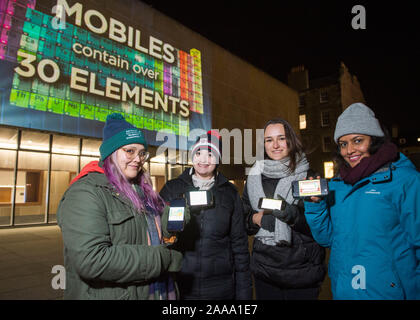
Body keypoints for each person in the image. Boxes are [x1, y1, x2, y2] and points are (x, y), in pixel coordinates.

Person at [57, 113, 183, 300]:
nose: (138, 159)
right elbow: (93, 260)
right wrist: (163, 259)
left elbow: (150, 234)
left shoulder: (142, 190)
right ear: (111, 152)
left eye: (142, 153)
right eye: (129, 151)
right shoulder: (85, 192)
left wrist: (172, 219)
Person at [304, 103, 420, 300]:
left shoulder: (406, 181)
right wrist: (315, 206)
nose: (350, 150)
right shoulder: (336, 185)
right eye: (343, 144)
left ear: (374, 141)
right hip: (344, 291)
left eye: (358, 141)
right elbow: (327, 239)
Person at [159, 130, 252, 300]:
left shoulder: (230, 194)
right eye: (199, 152)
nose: (203, 160)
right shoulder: (172, 189)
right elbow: (157, 235)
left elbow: (239, 246)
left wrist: (244, 294)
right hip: (180, 285)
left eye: (210, 154)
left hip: (220, 287)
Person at [242, 118, 326, 300]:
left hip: (302, 271)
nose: (275, 145)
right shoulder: (254, 176)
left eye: (281, 138)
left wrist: (293, 216)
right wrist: (256, 220)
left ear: (291, 140)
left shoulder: (309, 176)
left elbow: (321, 229)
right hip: (265, 270)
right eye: (269, 140)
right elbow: (244, 220)